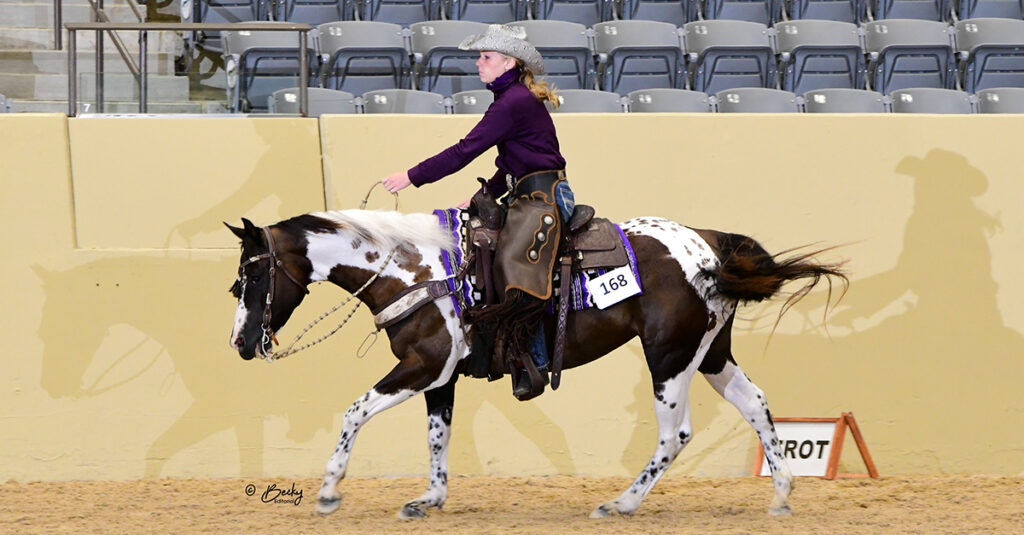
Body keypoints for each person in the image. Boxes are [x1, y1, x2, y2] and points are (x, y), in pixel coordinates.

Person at [381, 24, 575, 399]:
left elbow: (463, 151)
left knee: (513, 263)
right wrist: (478, 197)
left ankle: (532, 357)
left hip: (544, 198)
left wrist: (411, 176)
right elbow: (514, 162)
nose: (478, 63)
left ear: (508, 62)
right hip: (528, 193)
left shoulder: (512, 102)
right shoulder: (511, 100)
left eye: (486, 57)